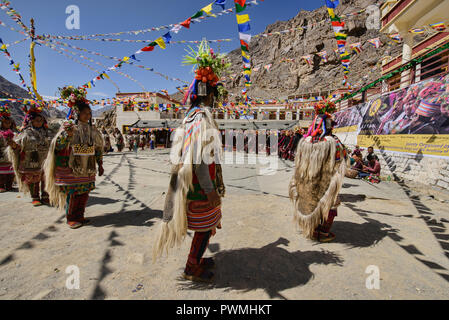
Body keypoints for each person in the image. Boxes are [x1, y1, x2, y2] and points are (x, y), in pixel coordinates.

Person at [153, 41, 228, 283]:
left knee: (204, 226)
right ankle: (192, 267)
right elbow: (199, 161)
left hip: (191, 183)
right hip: (198, 186)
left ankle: (195, 260)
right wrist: (210, 190)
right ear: (209, 94)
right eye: (215, 94)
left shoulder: (190, 119)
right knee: (205, 227)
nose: (216, 99)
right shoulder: (202, 120)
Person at [44, 86, 104, 229]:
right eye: (84, 113)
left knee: (84, 193)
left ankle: (80, 216)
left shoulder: (93, 130)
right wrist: (68, 135)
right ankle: (71, 218)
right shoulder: (68, 127)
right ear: (77, 113)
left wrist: (100, 164)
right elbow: (57, 145)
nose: (88, 116)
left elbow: (98, 148)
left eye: (89, 113)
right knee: (74, 193)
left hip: (87, 167)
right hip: (71, 166)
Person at [289, 101, 347, 243]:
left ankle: (311, 227)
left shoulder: (306, 141)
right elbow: (341, 159)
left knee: (310, 202)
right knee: (329, 205)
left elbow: (299, 160)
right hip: (326, 179)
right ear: (329, 125)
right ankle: (322, 232)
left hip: (307, 178)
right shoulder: (334, 141)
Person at [8, 106, 51, 206]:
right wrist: (14, 145)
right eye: (36, 120)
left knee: (45, 178)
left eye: (41, 120)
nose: (39, 122)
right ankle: (35, 197)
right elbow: (18, 145)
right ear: (31, 121)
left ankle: (45, 195)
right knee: (33, 179)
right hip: (31, 160)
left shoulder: (47, 132)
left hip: (45, 160)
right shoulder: (26, 133)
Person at [0, 105, 16, 193]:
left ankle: (9, 185)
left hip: (10, 155)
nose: (8, 124)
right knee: (1, 172)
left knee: (10, 172)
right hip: (1, 154)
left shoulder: (12, 133)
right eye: (6, 123)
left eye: (9, 123)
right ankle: (1, 185)